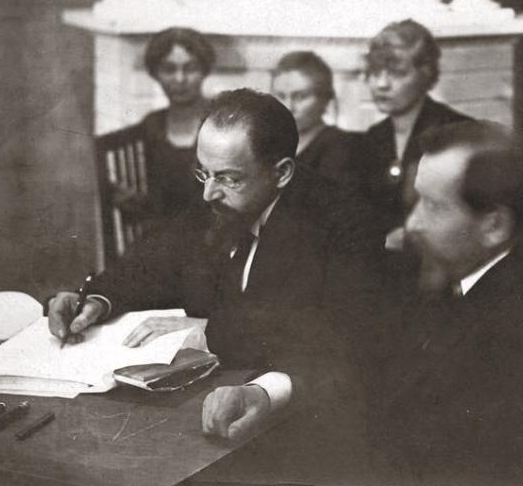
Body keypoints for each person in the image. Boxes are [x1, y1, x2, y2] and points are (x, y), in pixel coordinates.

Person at [48, 89, 384, 482]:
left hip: (304, 434)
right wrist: (97, 298)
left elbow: (334, 342)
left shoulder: (344, 225)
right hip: (207, 405)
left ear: (282, 173)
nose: (208, 192)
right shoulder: (220, 194)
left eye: (227, 178)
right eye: (202, 173)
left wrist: (214, 335)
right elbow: (152, 263)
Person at [371, 120, 523, 485]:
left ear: (494, 226)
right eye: (415, 202)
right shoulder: (472, 280)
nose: (412, 225)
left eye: (433, 207)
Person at [358, 18, 472, 240]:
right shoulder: (374, 137)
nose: (382, 84)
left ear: (425, 74)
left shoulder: (456, 132)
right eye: (375, 72)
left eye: (397, 73)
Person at [115, 27, 216, 223]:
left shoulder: (222, 121)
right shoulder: (152, 125)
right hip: (163, 234)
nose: (180, 79)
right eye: (169, 69)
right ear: (155, 74)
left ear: (204, 71)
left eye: (190, 68)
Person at [270, 51, 361, 187]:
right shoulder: (267, 147)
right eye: (280, 96)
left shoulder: (341, 147)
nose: (288, 107)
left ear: (324, 99)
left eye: (300, 97)